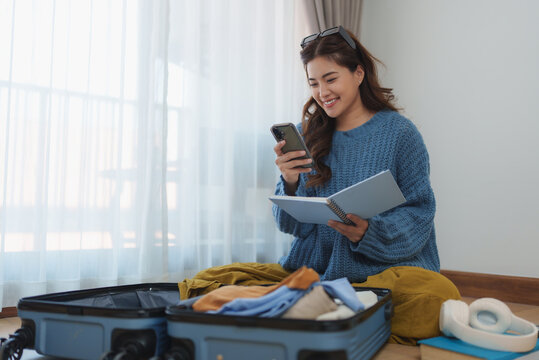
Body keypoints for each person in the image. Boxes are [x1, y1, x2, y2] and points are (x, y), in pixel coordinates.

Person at [179, 25, 460, 345]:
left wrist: (369, 233)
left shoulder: (400, 133)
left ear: (358, 73)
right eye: (313, 83)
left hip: (382, 271)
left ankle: (305, 309)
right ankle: (336, 311)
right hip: (314, 269)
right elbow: (291, 226)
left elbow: (420, 213)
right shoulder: (306, 134)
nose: (322, 92)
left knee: (437, 296)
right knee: (207, 282)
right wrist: (289, 181)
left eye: (330, 79)